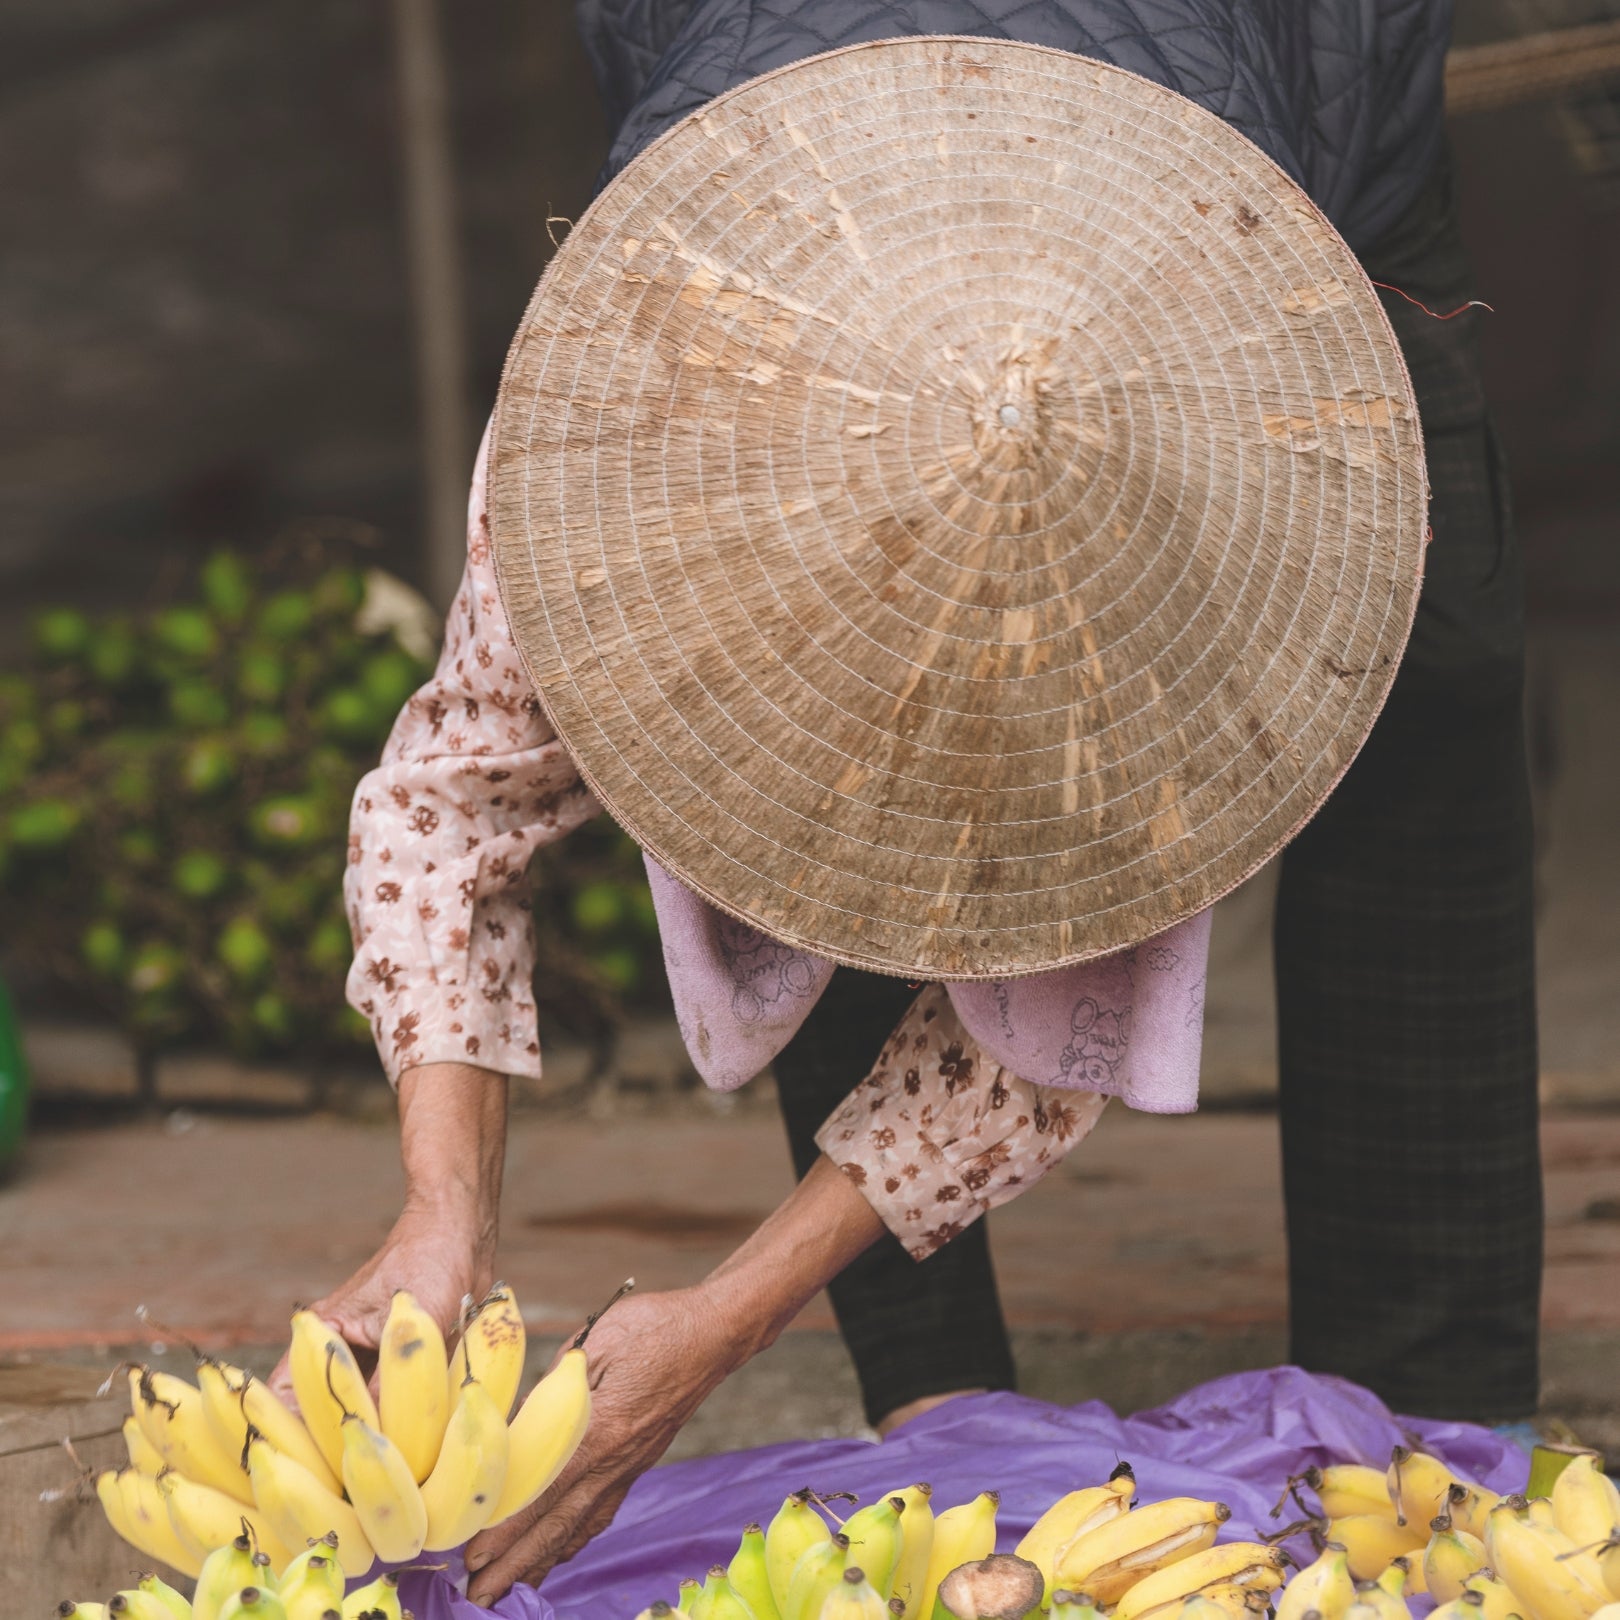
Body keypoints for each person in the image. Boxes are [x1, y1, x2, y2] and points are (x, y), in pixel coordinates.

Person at [272, 3, 1540, 1608]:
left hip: (1268, 79)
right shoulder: (620, 416)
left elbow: (1054, 1031)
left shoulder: (1201, 498)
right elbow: (452, 807)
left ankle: (1425, 1431)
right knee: (811, 803)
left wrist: (722, 1327)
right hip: (759, 63)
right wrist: (441, 1210)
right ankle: (942, 1411)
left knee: (1426, 684)